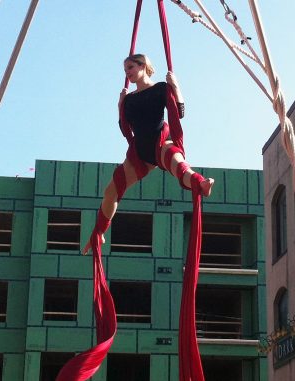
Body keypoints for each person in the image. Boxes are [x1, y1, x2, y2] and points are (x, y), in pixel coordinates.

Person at [82, 54, 214, 254]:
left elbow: (179, 113)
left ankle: (200, 183)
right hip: (139, 151)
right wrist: (120, 106)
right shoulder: (129, 99)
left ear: (143, 66)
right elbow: (124, 128)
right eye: (125, 70)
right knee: (111, 191)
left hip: (160, 144)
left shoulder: (161, 88)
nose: (127, 72)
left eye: (130, 67)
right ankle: (99, 232)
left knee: (179, 165)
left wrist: (176, 87)